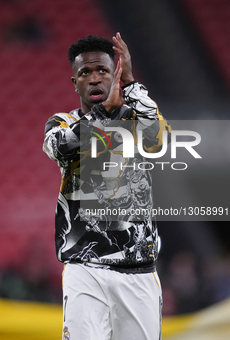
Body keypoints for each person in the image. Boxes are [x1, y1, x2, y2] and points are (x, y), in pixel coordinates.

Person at [43, 32, 170, 340]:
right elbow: (59, 147)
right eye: (85, 72)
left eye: (103, 70)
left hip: (137, 268)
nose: (95, 78)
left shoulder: (137, 121)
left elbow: (160, 142)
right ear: (74, 82)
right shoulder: (60, 123)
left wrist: (131, 83)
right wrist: (105, 113)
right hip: (84, 268)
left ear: (114, 74)